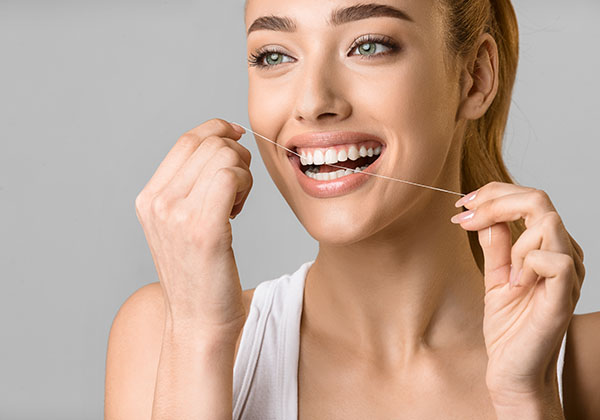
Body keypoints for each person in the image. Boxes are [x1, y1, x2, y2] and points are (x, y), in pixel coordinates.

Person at [104, 1, 600, 419]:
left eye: (368, 46)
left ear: (474, 77)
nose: (314, 100)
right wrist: (199, 341)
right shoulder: (166, 334)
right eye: (274, 55)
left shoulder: (586, 365)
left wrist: (525, 399)